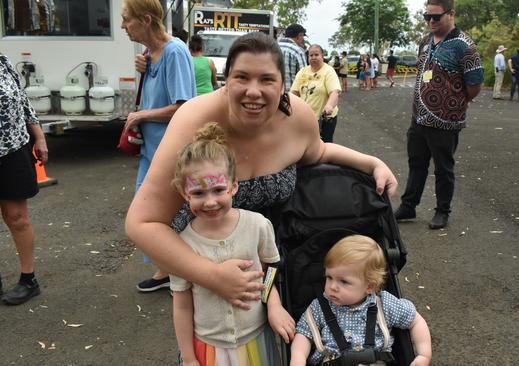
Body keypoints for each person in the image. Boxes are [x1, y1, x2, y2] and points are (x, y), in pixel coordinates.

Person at [125, 32, 397, 311]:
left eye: (266, 79)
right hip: (206, 279)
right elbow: (142, 223)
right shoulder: (194, 120)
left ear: (282, 85)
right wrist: (212, 276)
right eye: (242, 77)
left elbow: (319, 151)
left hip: (275, 269)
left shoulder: (297, 117)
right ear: (225, 81)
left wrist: (372, 163)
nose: (253, 91)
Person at [170, 123, 292, 365]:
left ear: (234, 185)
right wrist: (189, 357)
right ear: (184, 192)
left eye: (218, 190)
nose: (210, 202)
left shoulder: (258, 226)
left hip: (256, 341)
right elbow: (182, 304)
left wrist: (274, 306)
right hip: (209, 349)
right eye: (198, 193)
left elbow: (270, 271)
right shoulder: (180, 243)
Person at [121, 0, 196, 293]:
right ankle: (168, 269)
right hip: (151, 150)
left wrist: (141, 115)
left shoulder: (175, 51)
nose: (123, 26)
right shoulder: (151, 53)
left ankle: (176, 271)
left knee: (162, 211)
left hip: (169, 151)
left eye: (127, 19)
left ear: (147, 19)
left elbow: (183, 106)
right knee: (152, 211)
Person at [393, 0, 484, 230]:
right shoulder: (425, 41)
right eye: (427, 17)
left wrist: (455, 103)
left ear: (451, 14)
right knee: (416, 163)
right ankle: (409, 205)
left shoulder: (464, 46)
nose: (430, 22)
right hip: (419, 118)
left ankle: (442, 211)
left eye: (435, 17)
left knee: (443, 168)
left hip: (446, 121)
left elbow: (474, 84)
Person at [290, 235, 432, 366]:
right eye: (329, 277)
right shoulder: (319, 307)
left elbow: (415, 321)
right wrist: (298, 360)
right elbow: (303, 335)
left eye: (343, 282)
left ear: (369, 286)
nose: (332, 287)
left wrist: (424, 354)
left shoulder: (384, 304)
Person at [0, 53, 49, 306]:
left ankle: (28, 280)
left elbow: (23, 102)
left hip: (12, 150)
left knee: (17, 218)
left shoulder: (3, 61)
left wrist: (39, 137)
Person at [291, 44, 342, 143]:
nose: (313, 57)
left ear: (322, 56)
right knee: (305, 144)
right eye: (311, 55)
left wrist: (329, 106)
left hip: (324, 118)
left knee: (324, 146)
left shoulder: (328, 71)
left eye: (316, 55)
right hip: (306, 117)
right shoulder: (302, 72)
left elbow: (334, 92)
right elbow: (294, 93)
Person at [279, 23, 308, 91]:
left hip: (273, 95)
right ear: (299, 36)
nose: (302, 39)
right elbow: (304, 77)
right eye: (302, 36)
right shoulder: (297, 51)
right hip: (291, 97)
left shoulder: (272, 48)